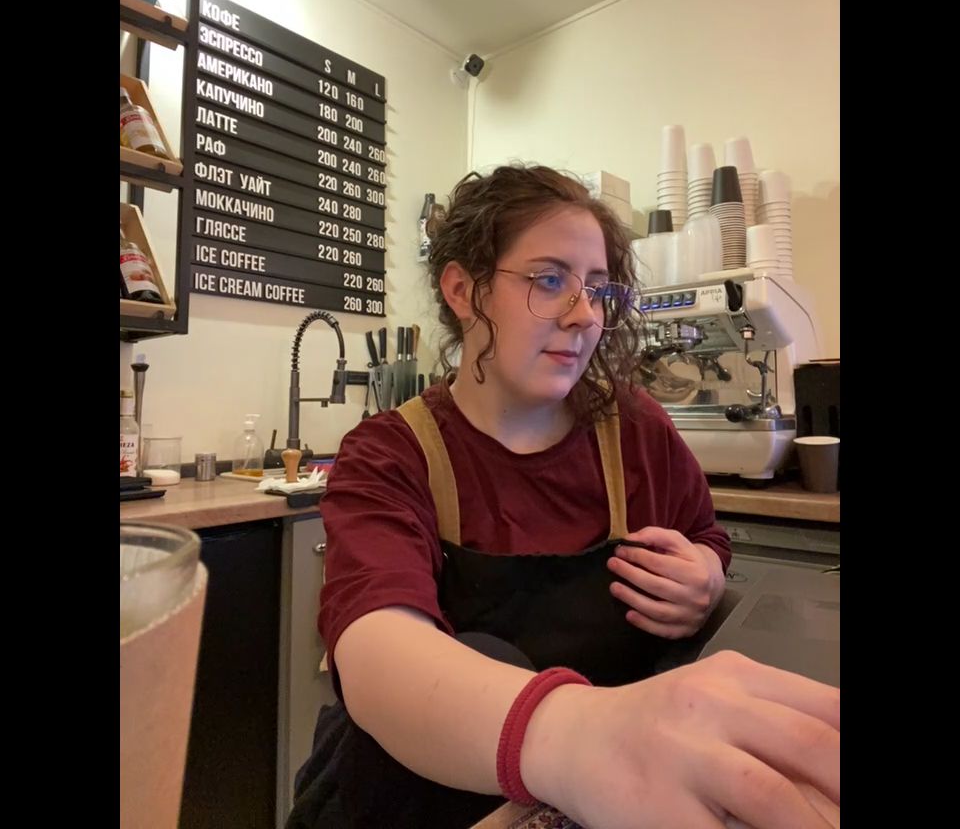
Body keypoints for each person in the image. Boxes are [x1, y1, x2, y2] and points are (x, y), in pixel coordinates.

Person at [287, 165, 840, 829]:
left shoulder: (635, 430)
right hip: (411, 799)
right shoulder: (391, 454)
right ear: (463, 290)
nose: (585, 315)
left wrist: (705, 575)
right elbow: (378, 653)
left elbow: (706, 538)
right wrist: (582, 739)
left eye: (598, 289)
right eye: (549, 281)